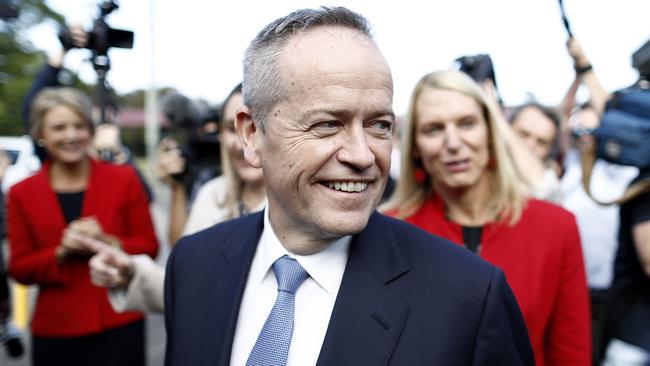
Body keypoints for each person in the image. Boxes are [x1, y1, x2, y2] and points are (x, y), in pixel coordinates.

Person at [164, 7, 534, 366]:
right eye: (328, 124)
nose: (363, 156)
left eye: (379, 125)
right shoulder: (193, 265)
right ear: (251, 134)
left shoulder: (469, 297)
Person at [382, 69, 591, 366]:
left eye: (467, 123)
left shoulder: (557, 227)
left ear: (491, 132)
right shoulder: (388, 233)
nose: (453, 142)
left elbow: (571, 354)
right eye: (433, 129)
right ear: (415, 147)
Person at [7, 87, 159, 366]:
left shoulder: (123, 178)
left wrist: (107, 240)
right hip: (56, 329)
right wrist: (60, 252)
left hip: (117, 321)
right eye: (59, 127)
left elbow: (149, 247)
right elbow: (19, 268)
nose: (71, 135)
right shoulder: (21, 193)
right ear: (40, 134)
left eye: (79, 126)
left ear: (90, 130)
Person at [89, 84, 265, 313]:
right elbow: (188, 279)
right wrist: (131, 272)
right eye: (233, 128)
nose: (244, 140)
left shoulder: (301, 211)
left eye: (257, 125)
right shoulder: (211, 194)